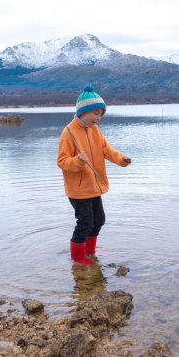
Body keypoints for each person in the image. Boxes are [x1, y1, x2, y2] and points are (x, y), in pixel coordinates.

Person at [57, 85, 131, 265]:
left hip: (94, 185)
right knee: (85, 223)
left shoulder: (94, 130)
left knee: (99, 220)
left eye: (100, 114)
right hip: (79, 188)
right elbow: (62, 161)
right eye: (95, 113)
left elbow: (107, 150)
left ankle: (90, 252)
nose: (98, 118)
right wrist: (77, 161)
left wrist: (121, 159)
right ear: (83, 112)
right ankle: (78, 257)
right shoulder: (68, 133)